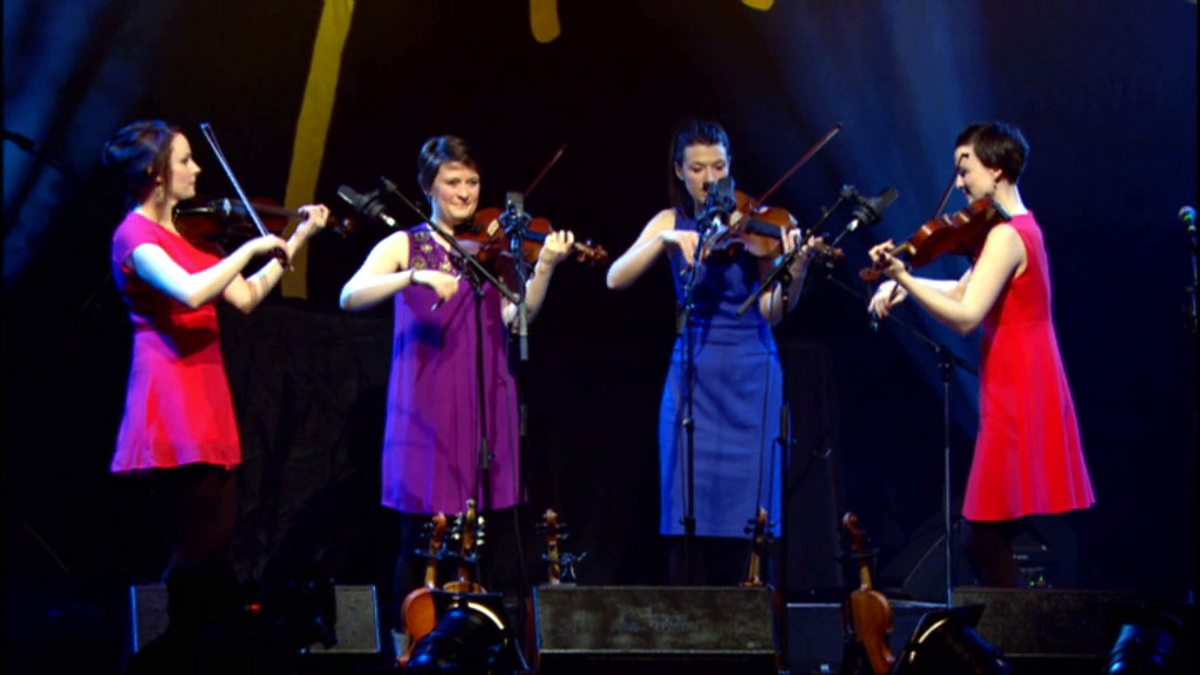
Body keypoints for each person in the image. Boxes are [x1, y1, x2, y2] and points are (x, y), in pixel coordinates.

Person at [102, 120, 328, 652]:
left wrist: (298, 237)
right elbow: (190, 293)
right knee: (198, 539)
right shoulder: (134, 235)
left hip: (204, 393)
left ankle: (191, 640)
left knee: (216, 534)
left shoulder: (185, 239)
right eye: (184, 160)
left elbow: (245, 297)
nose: (197, 169)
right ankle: (176, 644)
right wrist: (248, 251)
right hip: (170, 395)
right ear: (155, 172)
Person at [338, 135, 574, 637]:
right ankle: (412, 643)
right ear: (428, 186)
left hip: (486, 399)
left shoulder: (491, 251)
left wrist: (545, 268)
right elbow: (350, 295)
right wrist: (413, 277)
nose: (465, 193)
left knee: (482, 539)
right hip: (426, 403)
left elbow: (518, 316)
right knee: (421, 537)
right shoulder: (406, 245)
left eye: (472, 181)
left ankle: (474, 641)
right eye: (452, 182)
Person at [867, 121, 1095, 587]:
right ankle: (1019, 619)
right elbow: (961, 287)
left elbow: (967, 315)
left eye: (964, 168)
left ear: (995, 169)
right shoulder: (1014, 229)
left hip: (1021, 384)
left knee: (984, 535)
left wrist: (903, 277)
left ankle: (1018, 623)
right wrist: (904, 286)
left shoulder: (1007, 236)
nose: (959, 183)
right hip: (1016, 377)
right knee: (990, 533)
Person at [605, 119, 819, 585]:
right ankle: (690, 620)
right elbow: (615, 278)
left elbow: (771, 311)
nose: (710, 179)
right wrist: (664, 240)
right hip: (693, 375)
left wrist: (797, 270)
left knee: (753, 522)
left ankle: (753, 615)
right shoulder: (671, 221)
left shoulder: (758, 223)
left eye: (719, 167)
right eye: (698, 168)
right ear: (680, 171)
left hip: (751, 374)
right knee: (687, 515)